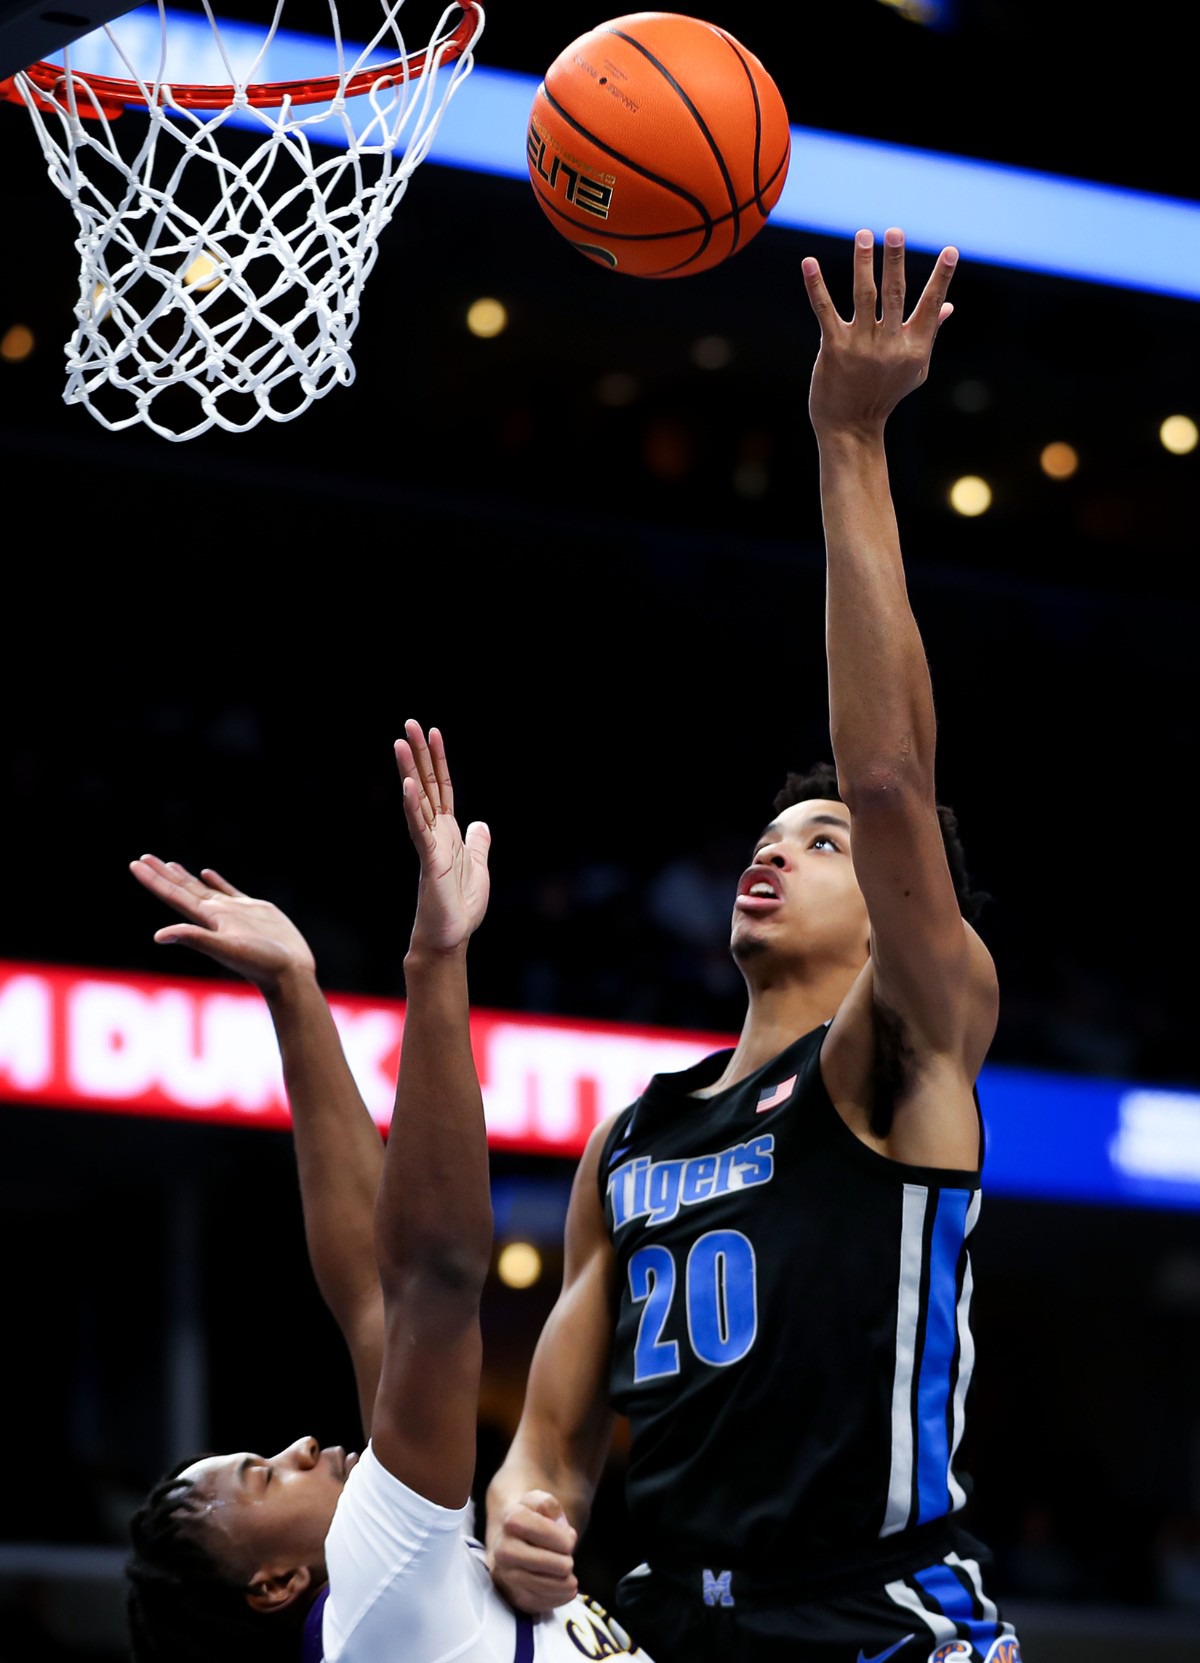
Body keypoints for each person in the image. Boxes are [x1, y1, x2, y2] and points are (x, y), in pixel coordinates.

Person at [485, 230, 1023, 1663]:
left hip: (875, 1614)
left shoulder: (909, 1042)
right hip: (665, 1626)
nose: (782, 846)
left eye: (825, 841)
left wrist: (848, 437)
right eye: (779, 831)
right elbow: (548, 1443)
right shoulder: (637, 1136)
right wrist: (527, 1505)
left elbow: (895, 777)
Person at [123, 721, 653, 1663]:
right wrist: (435, 960)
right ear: (276, 1582)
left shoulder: (387, 1594)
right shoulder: (377, 1597)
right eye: (262, 1475)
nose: (297, 1444)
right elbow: (432, 1279)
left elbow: (372, 1293)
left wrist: (294, 991)